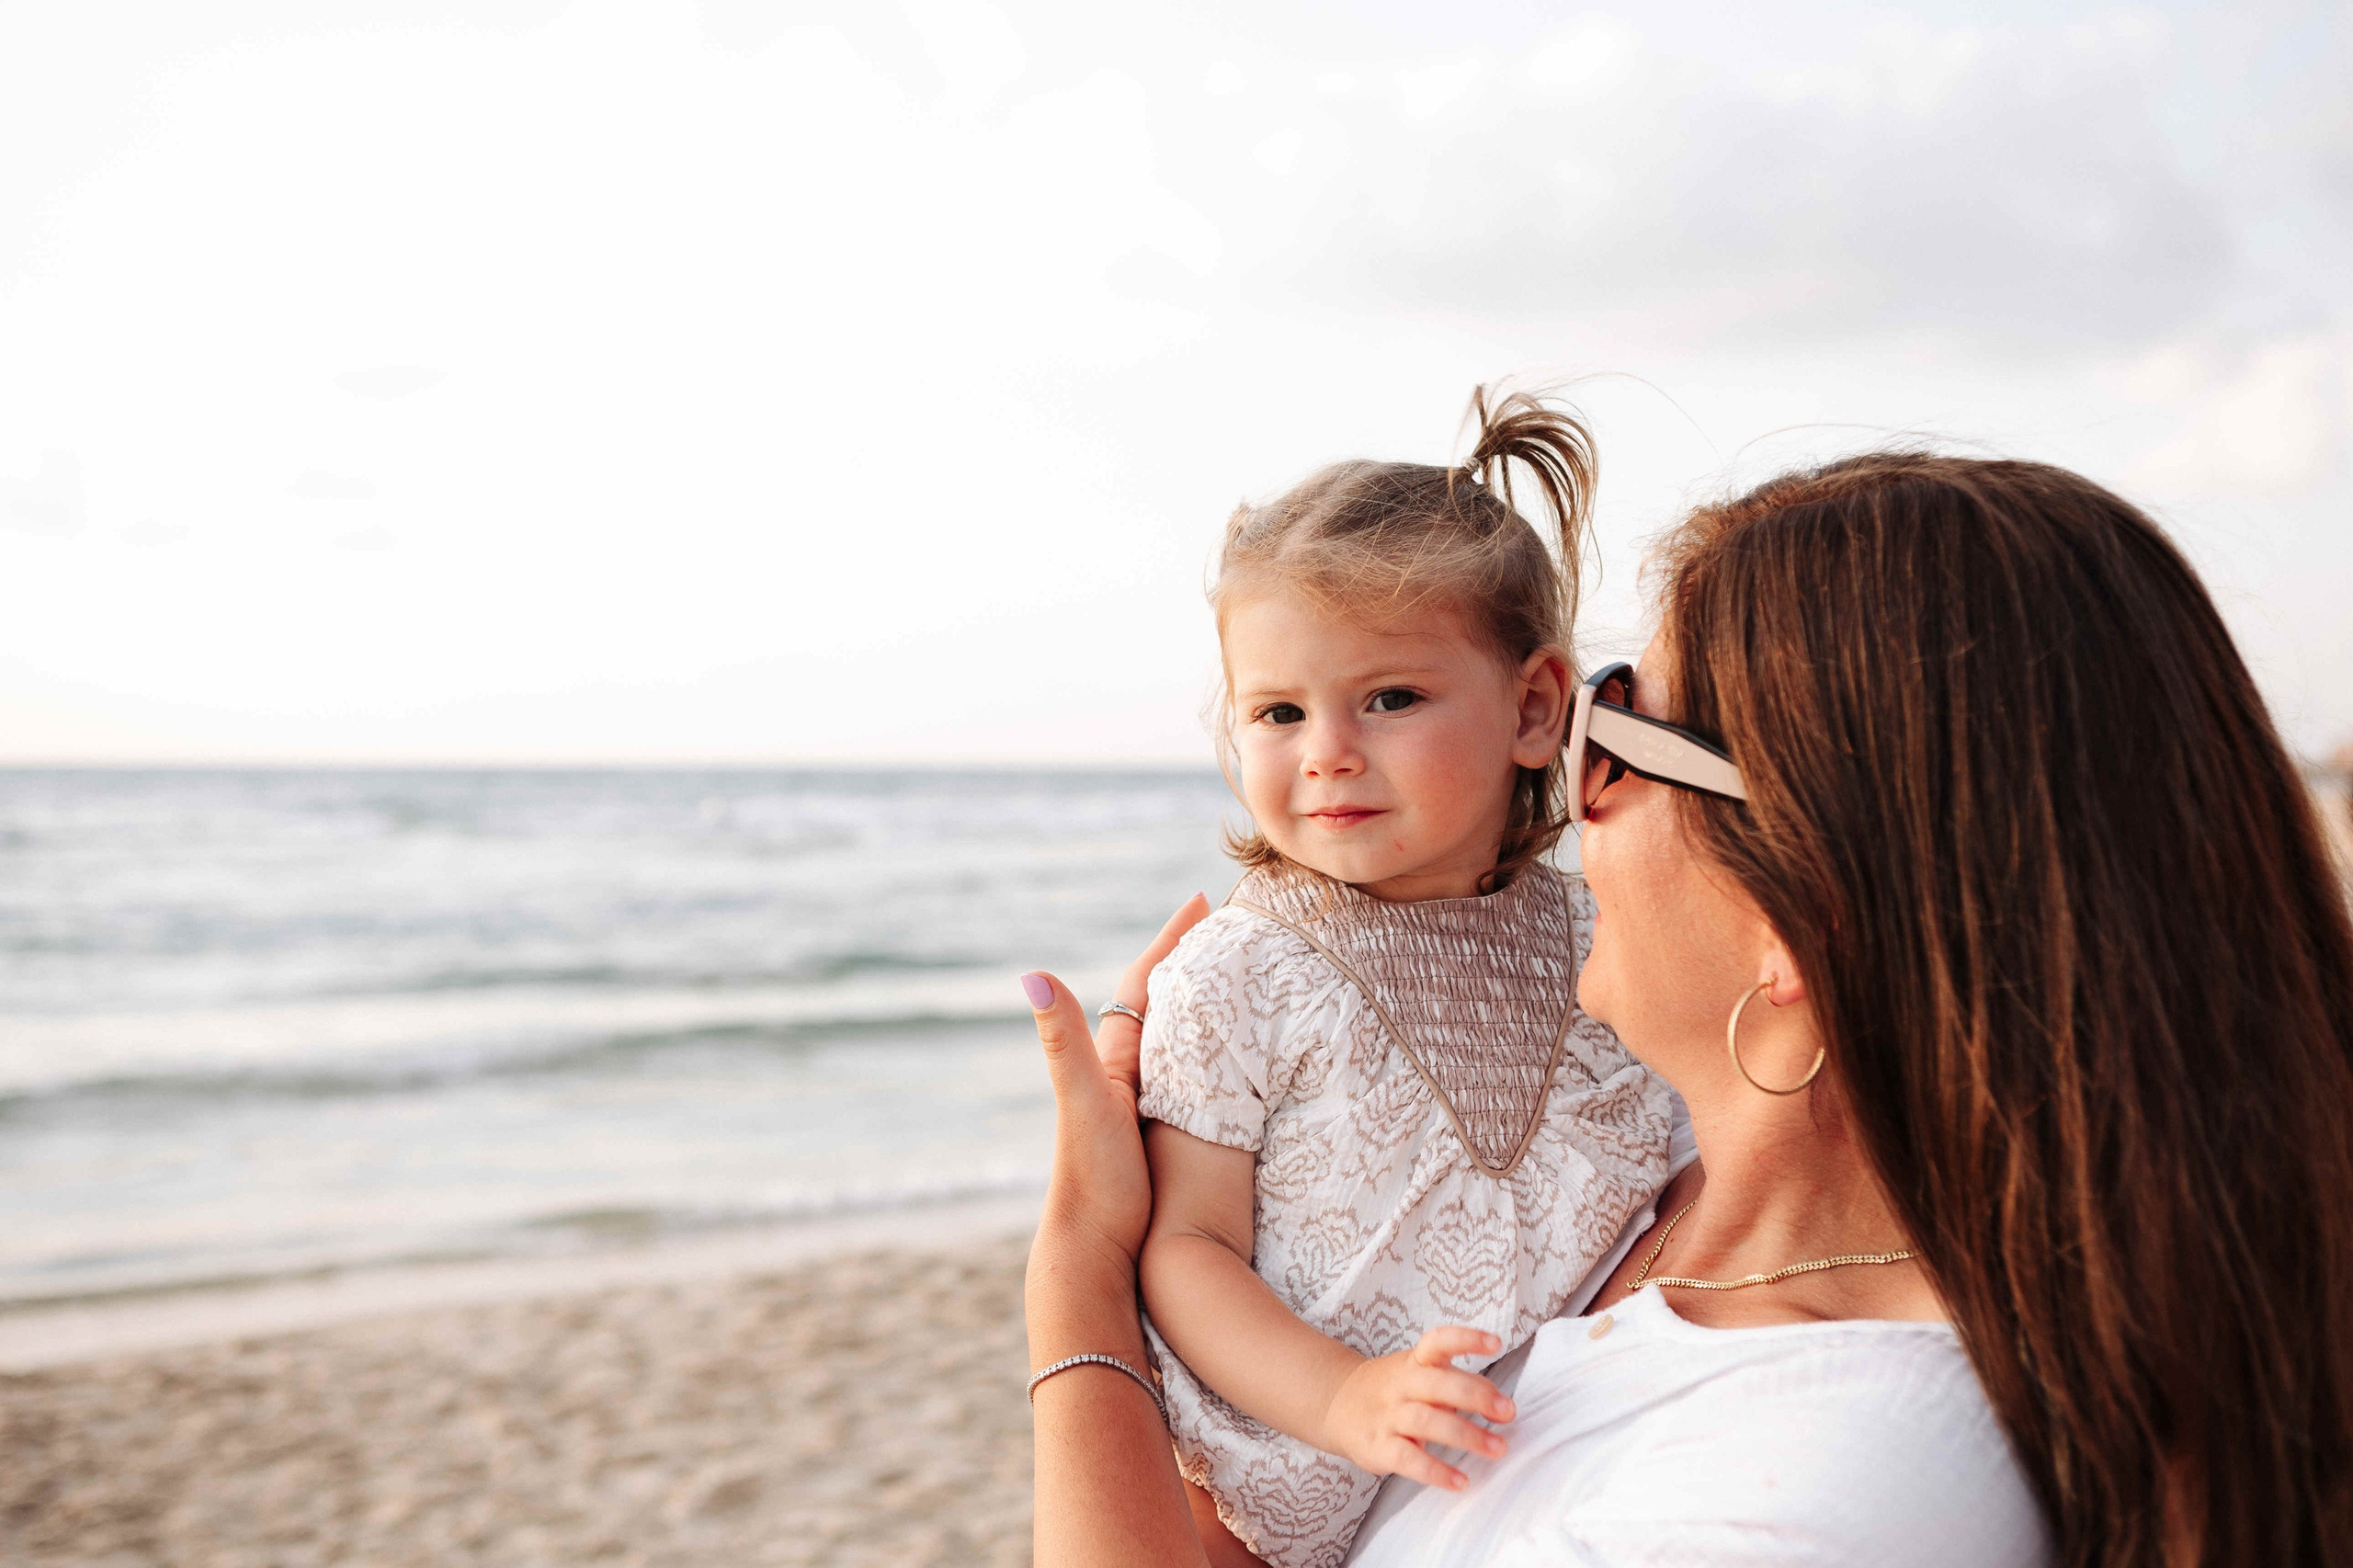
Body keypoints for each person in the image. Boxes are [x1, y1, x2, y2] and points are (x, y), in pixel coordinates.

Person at [1022, 453, 2353, 1567]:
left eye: (1621, 734)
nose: (1573, 798)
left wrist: (1080, 1268)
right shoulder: (1661, 1213)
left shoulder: (1824, 1493)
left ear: (1792, 920)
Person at [1131, 389, 1673, 1568]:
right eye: (1278, 710)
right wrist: (1344, 1399)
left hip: (1530, 1475)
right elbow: (1187, 1249)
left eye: (1389, 697)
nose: (1325, 747)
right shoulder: (1240, 971)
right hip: (1275, 1481)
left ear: (1535, 707)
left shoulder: (1605, 937)